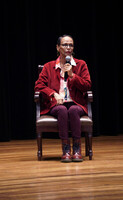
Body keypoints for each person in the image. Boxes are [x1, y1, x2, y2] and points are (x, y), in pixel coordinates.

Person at [35, 34, 92, 162]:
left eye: (70, 45)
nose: (68, 48)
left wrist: (72, 75)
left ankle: (77, 148)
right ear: (58, 47)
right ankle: (66, 149)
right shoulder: (48, 66)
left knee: (72, 110)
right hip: (56, 105)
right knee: (62, 110)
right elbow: (39, 85)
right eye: (65, 45)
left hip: (76, 103)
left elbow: (87, 85)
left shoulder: (81, 64)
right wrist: (53, 94)